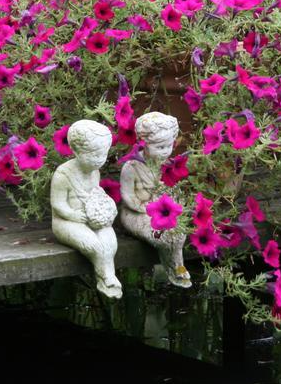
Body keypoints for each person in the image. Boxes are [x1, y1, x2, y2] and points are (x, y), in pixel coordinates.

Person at [119, 112, 192, 288]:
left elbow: (172, 189)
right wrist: (146, 209)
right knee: (162, 238)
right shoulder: (131, 167)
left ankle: (178, 266)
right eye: (160, 147)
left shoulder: (167, 164)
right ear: (144, 144)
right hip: (136, 212)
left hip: (161, 212)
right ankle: (171, 270)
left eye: (169, 146)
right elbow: (127, 196)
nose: (166, 151)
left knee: (180, 233)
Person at [50, 120, 121, 298]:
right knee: (93, 245)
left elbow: (95, 194)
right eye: (93, 155)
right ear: (76, 151)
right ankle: (106, 277)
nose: (99, 160)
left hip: (91, 218)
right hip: (66, 221)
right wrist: (73, 215)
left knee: (110, 243)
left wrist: (104, 205)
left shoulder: (94, 171)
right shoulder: (62, 174)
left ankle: (107, 276)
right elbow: (57, 204)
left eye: (103, 155)